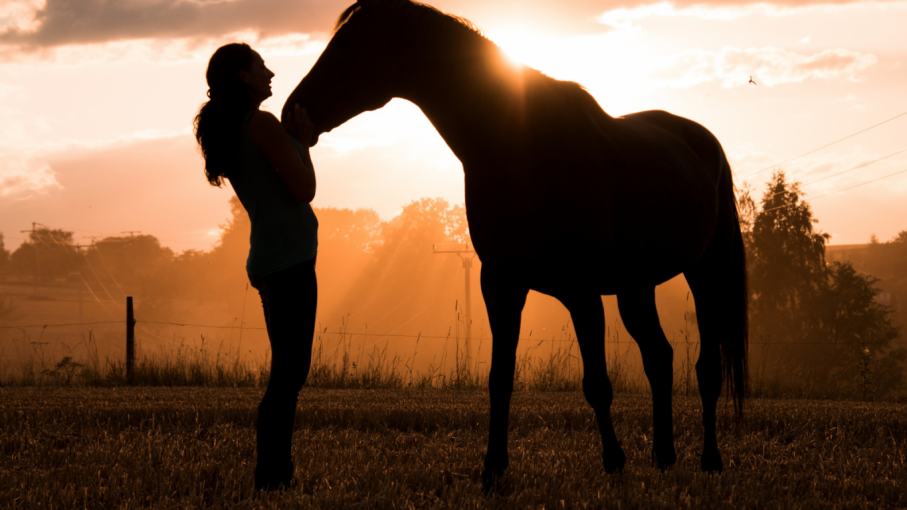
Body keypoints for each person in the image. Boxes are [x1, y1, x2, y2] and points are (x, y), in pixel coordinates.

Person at [194, 42, 318, 491]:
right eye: (260, 66)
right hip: (288, 261)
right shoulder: (261, 124)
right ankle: (272, 475)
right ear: (243, 76)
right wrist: (303, 143)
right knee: (289, 374)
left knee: (288, 371)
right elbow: (303, 189)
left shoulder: (240, 126)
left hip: (273, 258)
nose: (270, 72)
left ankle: (274, 473)